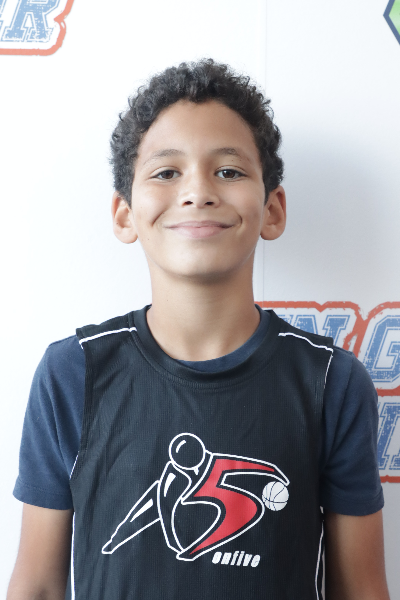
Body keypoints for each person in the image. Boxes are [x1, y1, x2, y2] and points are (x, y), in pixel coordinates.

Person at [7, 59, 390, 600]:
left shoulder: (331, 382)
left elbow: (362, 590)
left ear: (272, 209)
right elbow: (38, 587)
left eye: (229, 171)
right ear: (124, 213)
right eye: (166, 172)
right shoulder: (74, 372)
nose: (198, 191)